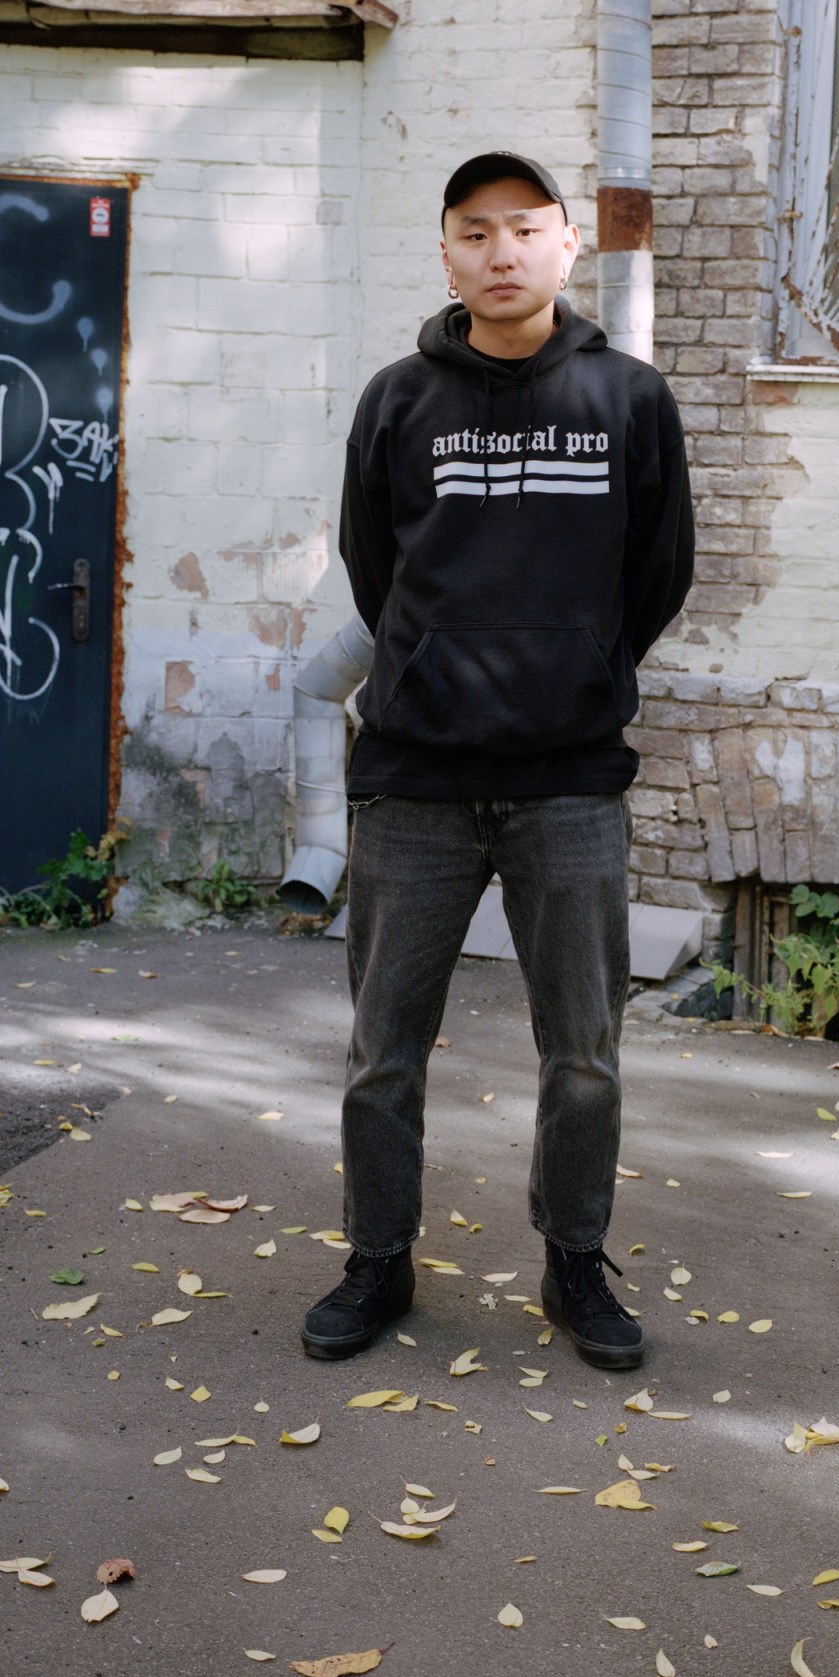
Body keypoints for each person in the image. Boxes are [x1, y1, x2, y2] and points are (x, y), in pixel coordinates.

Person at [300, 151, 693, 1370]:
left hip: (568, 782)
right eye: (476, 231)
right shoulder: (398, 400)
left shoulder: (629, 400)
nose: (502, 251)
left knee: (582, 1052)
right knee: (382, 1049)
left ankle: (574, 1262)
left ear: (567, 246)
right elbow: (377, 570)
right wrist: (445, 665)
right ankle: (379, 1259)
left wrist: (575, 667)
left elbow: (659, 569)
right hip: (414, 780)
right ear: (447, 252)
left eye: (525, 228)